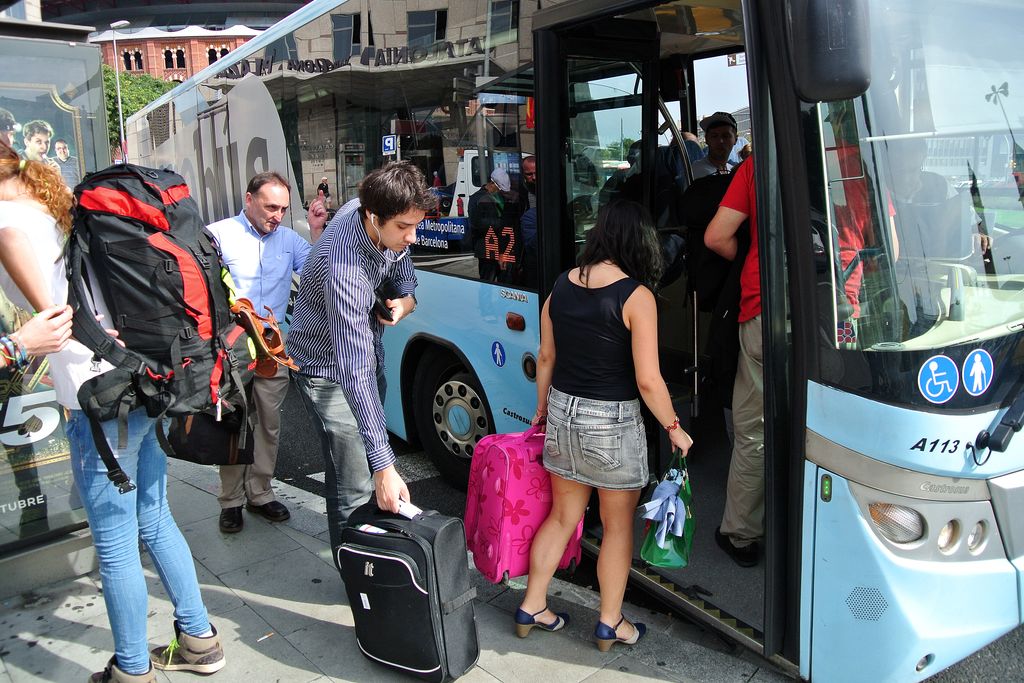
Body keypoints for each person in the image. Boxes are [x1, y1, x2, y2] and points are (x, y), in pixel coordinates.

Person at [0, 137, 226, 682]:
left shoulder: (7, 225)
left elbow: (57, 323)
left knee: (117, 545)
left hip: (100, 399)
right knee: (154, 515)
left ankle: (131, 670)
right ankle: (200, 640)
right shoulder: (50, 207)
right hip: (141, 381)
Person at [516, 200, 694, 651]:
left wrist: (540, 411)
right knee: (617, 528)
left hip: (562, 413)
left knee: (561, 517)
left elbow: (547, 356)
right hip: (611, 423)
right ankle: (610, 622)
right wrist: (674, 426)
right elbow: (648, 380)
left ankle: (532, 604)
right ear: (638, 242)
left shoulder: (561, 284)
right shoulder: (637, 296)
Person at [286, 161, 434, 551]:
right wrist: (384, 464)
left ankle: (373, 552)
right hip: (324, 369)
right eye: (403, 227)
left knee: (370, 461)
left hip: (365, 355)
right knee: (353, 478)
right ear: (373, 216)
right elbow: (354, 371)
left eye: (416, 225)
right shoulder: (344, 268)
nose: (412, 237)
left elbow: (400, 261)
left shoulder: (370, 209)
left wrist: (405, 299)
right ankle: (356, 578)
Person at [207, 172, 312, 534]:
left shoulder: (289, 240)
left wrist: (315, 231)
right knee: (234, 422)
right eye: (270, 206)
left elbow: (318, 273)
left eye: (283, 208)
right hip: (233, 346)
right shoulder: (218, 235)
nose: (277, 215)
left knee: (267, 422)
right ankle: (230, 500)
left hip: (272, 346)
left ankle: (260, 493)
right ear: (248, 199)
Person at [704, 157, 762, 568]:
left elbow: (716, 236)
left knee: (753, 430)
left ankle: (741, 534)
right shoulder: (857, 153)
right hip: (842, 309)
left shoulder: (757, 166)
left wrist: (750, 258)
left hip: (767, 306)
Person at [469, 167, 514, 282]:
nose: (500, 192)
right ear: (492, 184)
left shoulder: (493, 197)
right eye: (499, 189)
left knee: (503, 282)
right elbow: (476, 222)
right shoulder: (479, 198)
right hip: (487, 249)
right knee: (487, 283)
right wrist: (501, 223)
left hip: (496, 247)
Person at [692, 112, 739, 179]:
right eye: (714, 136)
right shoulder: (698, 171)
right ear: (706, 139)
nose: (720, 141)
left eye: (725, 136)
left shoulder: (733, 170)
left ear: (736, 139)